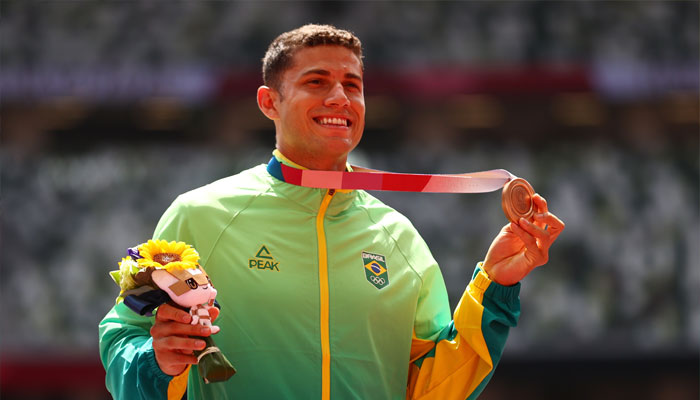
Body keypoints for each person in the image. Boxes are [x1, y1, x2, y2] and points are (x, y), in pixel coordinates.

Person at [99, 24, 564, 400]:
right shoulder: (201, 216)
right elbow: (123, 337)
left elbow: (432, 389)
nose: (340, 98)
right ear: (269, 102)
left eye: (352, 86)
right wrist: (154, 361)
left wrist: (496, 286)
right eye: (316, 82)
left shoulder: (398, 237)